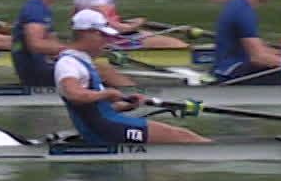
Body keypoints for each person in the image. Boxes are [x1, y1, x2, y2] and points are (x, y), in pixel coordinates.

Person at [55, 10, 210, 146]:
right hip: (107, 129)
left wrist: (127, 105)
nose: (106, 41)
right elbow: (73, 94)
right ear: (87, 33)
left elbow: (94, 110)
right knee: (183, 137)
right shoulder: (68, 63)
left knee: (182, 137)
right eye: (103, 35)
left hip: (106, 124)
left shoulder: (81, 60)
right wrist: (107, 93)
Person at [212, 0, 281, 81]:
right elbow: (258, 57)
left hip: (229, 67)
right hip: (230, 72)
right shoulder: (242, 12)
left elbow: (260, 49)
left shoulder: (239, 4)